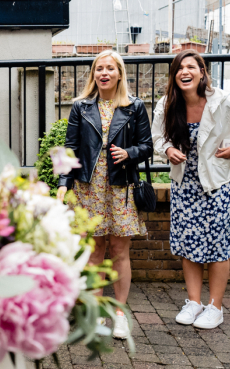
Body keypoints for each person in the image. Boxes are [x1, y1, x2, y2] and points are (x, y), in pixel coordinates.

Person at [152, 50, 230, 329]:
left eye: (191, 67)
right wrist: (168, 149)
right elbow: (157, 137)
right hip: (185, 185)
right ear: (174, 75)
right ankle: (194, 302)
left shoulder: (222, 102)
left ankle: (214, 307)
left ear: (201, 72)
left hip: (218, 185)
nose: (185, 72)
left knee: (218, 246)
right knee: (188, 244)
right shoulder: (167, 105)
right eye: (180, 68)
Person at [56, 50, 153, 340]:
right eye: (99, 68)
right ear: (94, 74)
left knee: (120, 252)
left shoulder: (134, 107)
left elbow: (147, 146)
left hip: (121, 188)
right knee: (94, 253)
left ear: (119, 73)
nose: (104, 73)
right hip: (89, 188)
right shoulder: (81, 107)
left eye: (110, 68)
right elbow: (69, 146)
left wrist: (130, 152)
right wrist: (64, 182)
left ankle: (119, 315)